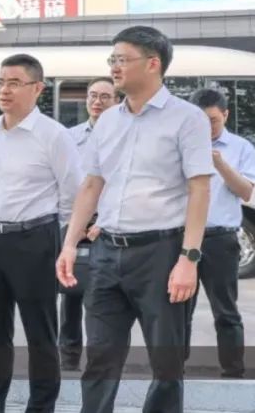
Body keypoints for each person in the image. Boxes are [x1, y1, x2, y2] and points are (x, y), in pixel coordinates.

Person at [57, 26, 211, 413]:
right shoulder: (109, 121)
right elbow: (92, 185)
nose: (114, 67)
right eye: (112, 60)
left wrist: (189, 259)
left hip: (162, 253)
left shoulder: (187, 119)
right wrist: (70, 244)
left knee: (166, 363)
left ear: (153, 63)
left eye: (122, 59)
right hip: (107, 253)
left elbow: (199, 189)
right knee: (100, 358)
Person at [0, 54, 82, 413]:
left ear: (37, 88)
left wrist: (57, 239)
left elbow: (73, 194)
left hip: (35, 240)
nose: (4, 90)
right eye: (0, 82)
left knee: (40, 331)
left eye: (14, 83)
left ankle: (41, 405)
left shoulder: (54, 135)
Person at [186, 87, 249, 378]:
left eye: (212, 120)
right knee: (178, 309)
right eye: (200, 121)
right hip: (182, 238)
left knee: (225, 310)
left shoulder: (240, 147)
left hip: (220, 239)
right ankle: (173, 370)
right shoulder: (181, 143)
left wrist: (220, 164)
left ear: (225, 114)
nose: (207, 127)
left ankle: (233, 371)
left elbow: (246, 191)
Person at [60, 77, 119, 371]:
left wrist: (104, 221)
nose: (97, 102)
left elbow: (121, 184)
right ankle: (68, 354)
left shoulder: (123, 136)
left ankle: (101, 357)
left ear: (117, 101)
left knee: (104, 294)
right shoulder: (70, 137)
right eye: (93, 96)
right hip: (74, 223)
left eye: (105, 97)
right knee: (71, 290)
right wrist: (72, 224)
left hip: (109, 226)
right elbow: (63, 182)